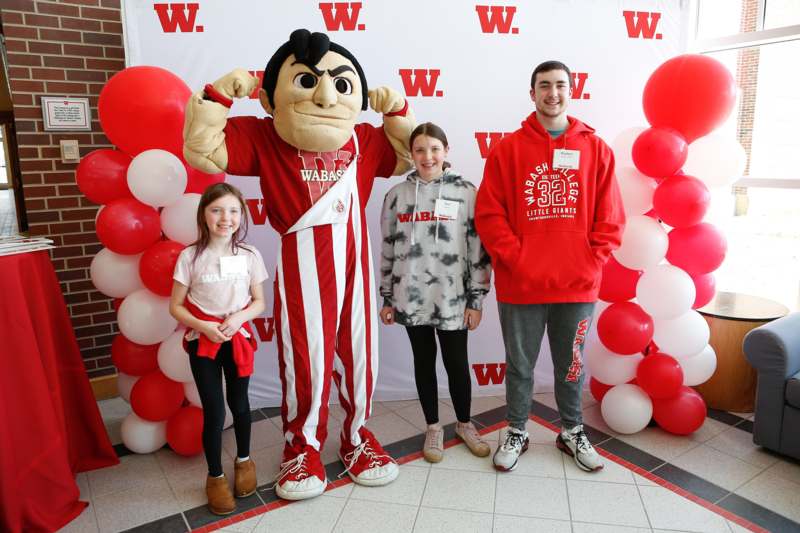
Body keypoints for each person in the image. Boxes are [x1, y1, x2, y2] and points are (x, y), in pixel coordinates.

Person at [183, 29, 417, 500]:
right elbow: (204, 151)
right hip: (302, 266)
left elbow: (409, 155)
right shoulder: (267, 136)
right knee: (306, 358)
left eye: (339, 85)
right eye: (309, 82)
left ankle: (356, 436)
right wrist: (218, 94)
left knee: (361, 358)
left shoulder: (365, 139)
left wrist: (398, 112)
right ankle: (302, 444)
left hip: (355, 265)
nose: (327, 97)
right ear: (272, 99)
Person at [475, 61, 625, 473]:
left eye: (560, 85)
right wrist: (517, 259)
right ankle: (518, 429)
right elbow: (489, 214)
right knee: (520, 365)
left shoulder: (596, 149)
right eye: (544, 86)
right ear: (532, 93)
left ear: (571, 91)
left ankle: (572, 430)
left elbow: (611, 218)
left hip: (577, 283)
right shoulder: (507, 150)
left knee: (571, 365)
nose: (552, 93)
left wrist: (591, 260)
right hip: (521, 284)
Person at [379, 122, 492, 463]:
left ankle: (464, 423)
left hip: (453, 298)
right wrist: (386, 297)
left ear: (446, 151)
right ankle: (432, 426)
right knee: (423, 362)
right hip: (410, 297)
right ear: (410, 154)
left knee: (457, 362)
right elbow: (387, 247)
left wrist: (476, 299)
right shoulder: (397, 195)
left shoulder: (466, 192)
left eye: (434, 149)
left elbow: (478, 249)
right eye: (419, 150)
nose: (427, 157)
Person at [169, 182, 268, 515]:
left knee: (240, 405)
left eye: (233, 211)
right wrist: (204, 326)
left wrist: (239, 317)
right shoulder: (190, 256)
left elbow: (259, 302)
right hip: (204, 344)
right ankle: (215, 477)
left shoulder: (250, 255)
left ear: (242, 216)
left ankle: (244, 463)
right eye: (217, 210)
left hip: (237, 341)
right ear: (204, 215)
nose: (226, 218)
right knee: (214, 412)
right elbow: (176, 307)